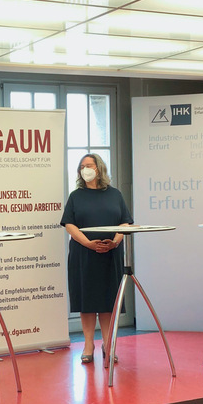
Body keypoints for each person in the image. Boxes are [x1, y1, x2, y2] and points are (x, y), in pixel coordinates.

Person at [60, 154, 133, 364]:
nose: (85, 170)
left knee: (108, 301)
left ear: (99, 169)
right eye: (82, 167)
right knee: (87, 301)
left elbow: (125, 222)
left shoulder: (115, 194)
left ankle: (108, 345)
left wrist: (116, 241)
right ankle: (89, 344)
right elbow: (69, 224)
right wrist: (88, 243)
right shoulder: (76, 196)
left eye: (89, 166)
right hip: (84, 254)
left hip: (110, 253)